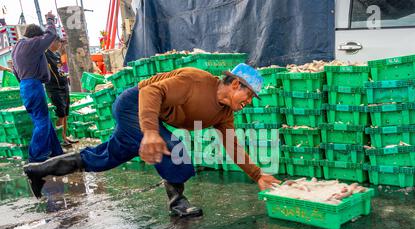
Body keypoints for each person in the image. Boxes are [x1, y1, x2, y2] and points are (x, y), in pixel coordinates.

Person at [23, 64, 281, 217]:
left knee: (103, 159)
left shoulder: (224, 113)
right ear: (235, 84)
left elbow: (232, 144)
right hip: (133, 103)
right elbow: (150, 90)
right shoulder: (195, 81)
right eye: (248, 96)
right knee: (175, 151)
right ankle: (177, 203)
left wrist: (257, 174)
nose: (247, 103)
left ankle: (37, 170)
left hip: (148, 117)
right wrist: (149, 132)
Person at [11, 11, 63, 163]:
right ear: (35, 37)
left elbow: (15, 71)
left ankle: (56, 151)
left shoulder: (16, 49)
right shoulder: (32, 44)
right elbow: (51, 34)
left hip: (25, 86)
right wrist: (50, 19)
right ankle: (35, 157)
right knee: (41, 121)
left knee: (43, 119)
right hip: (33, 85)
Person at [45, 36, 74, 146]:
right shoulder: (45, 54)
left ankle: (64, 136)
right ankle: (59, 139)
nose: (59, 45)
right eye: (58, 42)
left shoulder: (57, 54)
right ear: (51, 42)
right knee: (60, 114)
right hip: (54, 88)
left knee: (65, 113)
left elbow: (63, 68)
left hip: (64, 86)